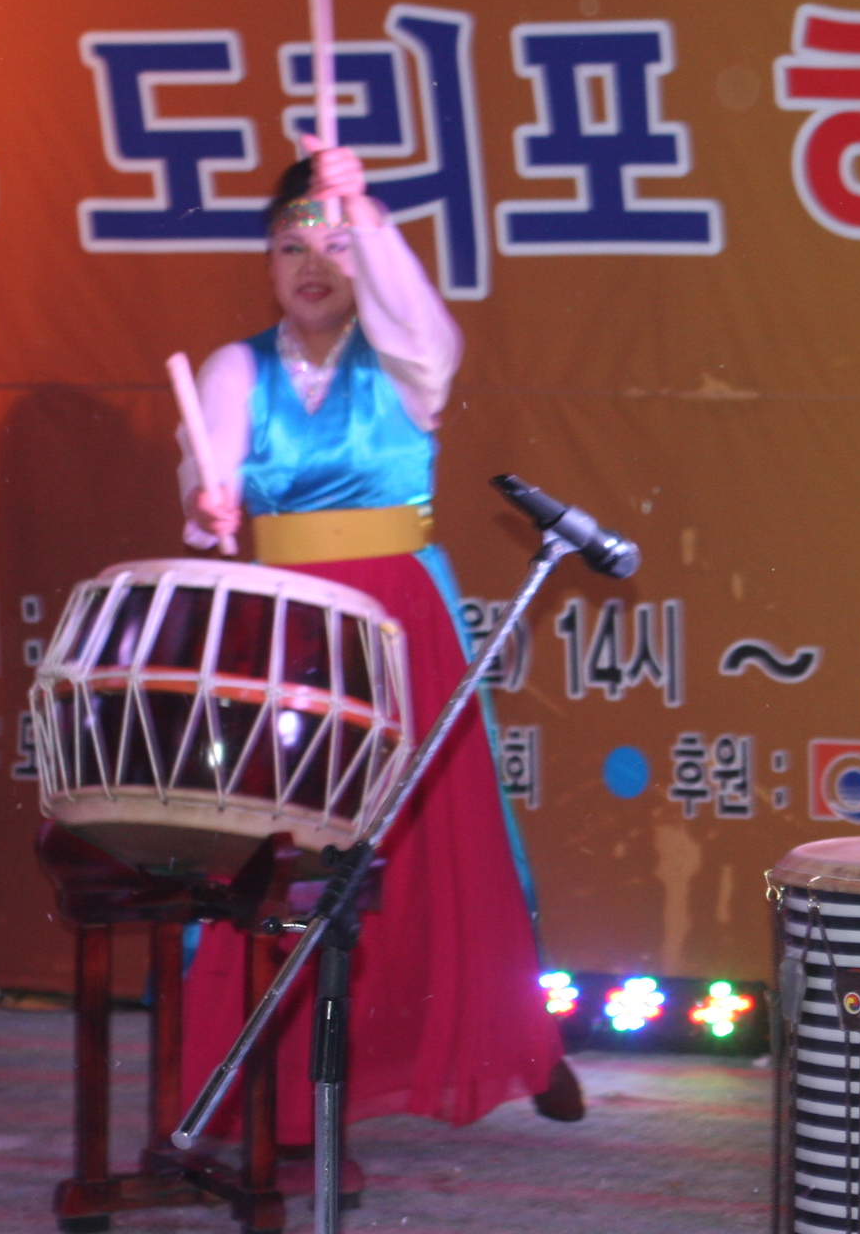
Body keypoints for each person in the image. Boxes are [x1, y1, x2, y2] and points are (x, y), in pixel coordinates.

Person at [177, 141, 579, 1138]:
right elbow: (206, 477)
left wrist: (366, 217)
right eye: (291, 246)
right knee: (282, 852)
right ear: (266, 263)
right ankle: (272, 1082)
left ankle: (509, 1043)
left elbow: (435, 339)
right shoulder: (236, 367)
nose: (312, 264)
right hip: (283, 624)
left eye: (334, 247)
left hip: (397, 623)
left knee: (432, 845)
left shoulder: (400, 363)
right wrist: (207, 502)